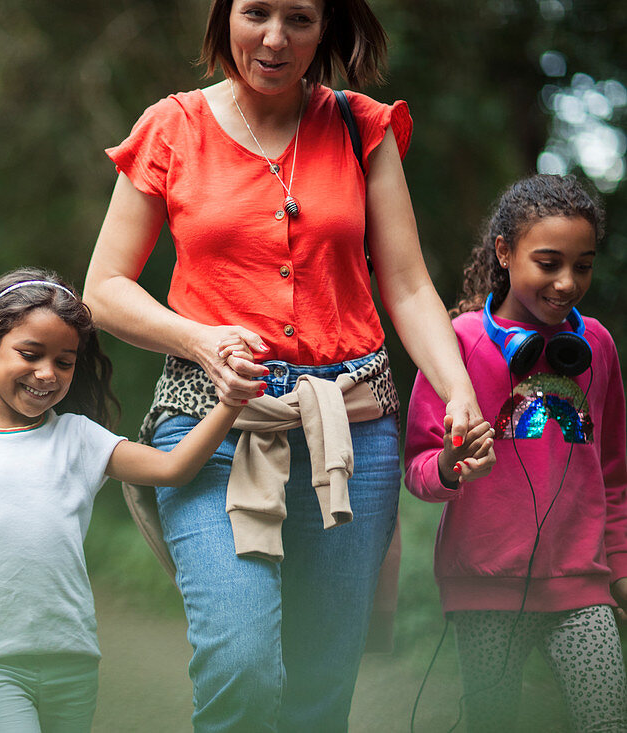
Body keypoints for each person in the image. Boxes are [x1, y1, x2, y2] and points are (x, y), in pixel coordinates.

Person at [83, 1, 487, 730]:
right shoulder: (172, 126)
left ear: (327, 27)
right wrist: (202, 339)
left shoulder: (361, 126)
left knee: (321, 680)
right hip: (211, 420)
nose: (274, 38)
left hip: (351, 429)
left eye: (299, 18)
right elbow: (104, 290)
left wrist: (457, 386)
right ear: (224, 14)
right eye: (256, 12)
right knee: (240, 658)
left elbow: (405, 282)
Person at [0, 267, 252, 733]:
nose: (47, 373)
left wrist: (231, 402)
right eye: (30, 353)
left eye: (64, 362)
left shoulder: (79, 439)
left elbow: (171, 469)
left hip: (73, 654)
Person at [404, 174, 627, 733]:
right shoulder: (454, 343)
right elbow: (417, 467)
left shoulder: (596, 346)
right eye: (548, 263)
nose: (567, 282)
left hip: (582, 586)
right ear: (504, 252)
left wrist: (620, 571)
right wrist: (450, 469)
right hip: (484, 591)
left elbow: (615, 475)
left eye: (583, 264)